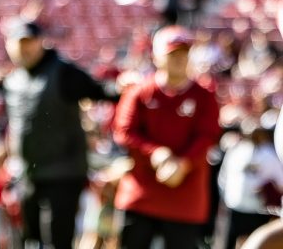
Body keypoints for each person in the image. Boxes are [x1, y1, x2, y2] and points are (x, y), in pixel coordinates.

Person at [2, 18, 118, 249]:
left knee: (57, 239)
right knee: (29, 238)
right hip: (28, 173)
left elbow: (101, 92)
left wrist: (124, 88)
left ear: (40, 42)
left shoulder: (63, 72)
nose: (23, 48)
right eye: (18, 43)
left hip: (64, 173)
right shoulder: (13, 80)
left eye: (29, 42)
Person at [113, 26, 222, 248]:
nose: (179, 59)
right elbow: (124, 131)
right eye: (173, 54)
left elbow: (208, 135)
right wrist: (156, 153)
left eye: (184, 53)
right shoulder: (141, 92)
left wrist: (182, 163)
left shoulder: (204, 95)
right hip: (142, 192)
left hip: (185, 196)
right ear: (156, 56)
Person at [217, 120, 283, 249]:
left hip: (256, 209)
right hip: (234, 206)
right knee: (226, 244)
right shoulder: (236, 150)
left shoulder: (268, 154)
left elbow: (280, 181)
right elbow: (224, 176)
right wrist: (225, 197)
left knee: (255, 242)